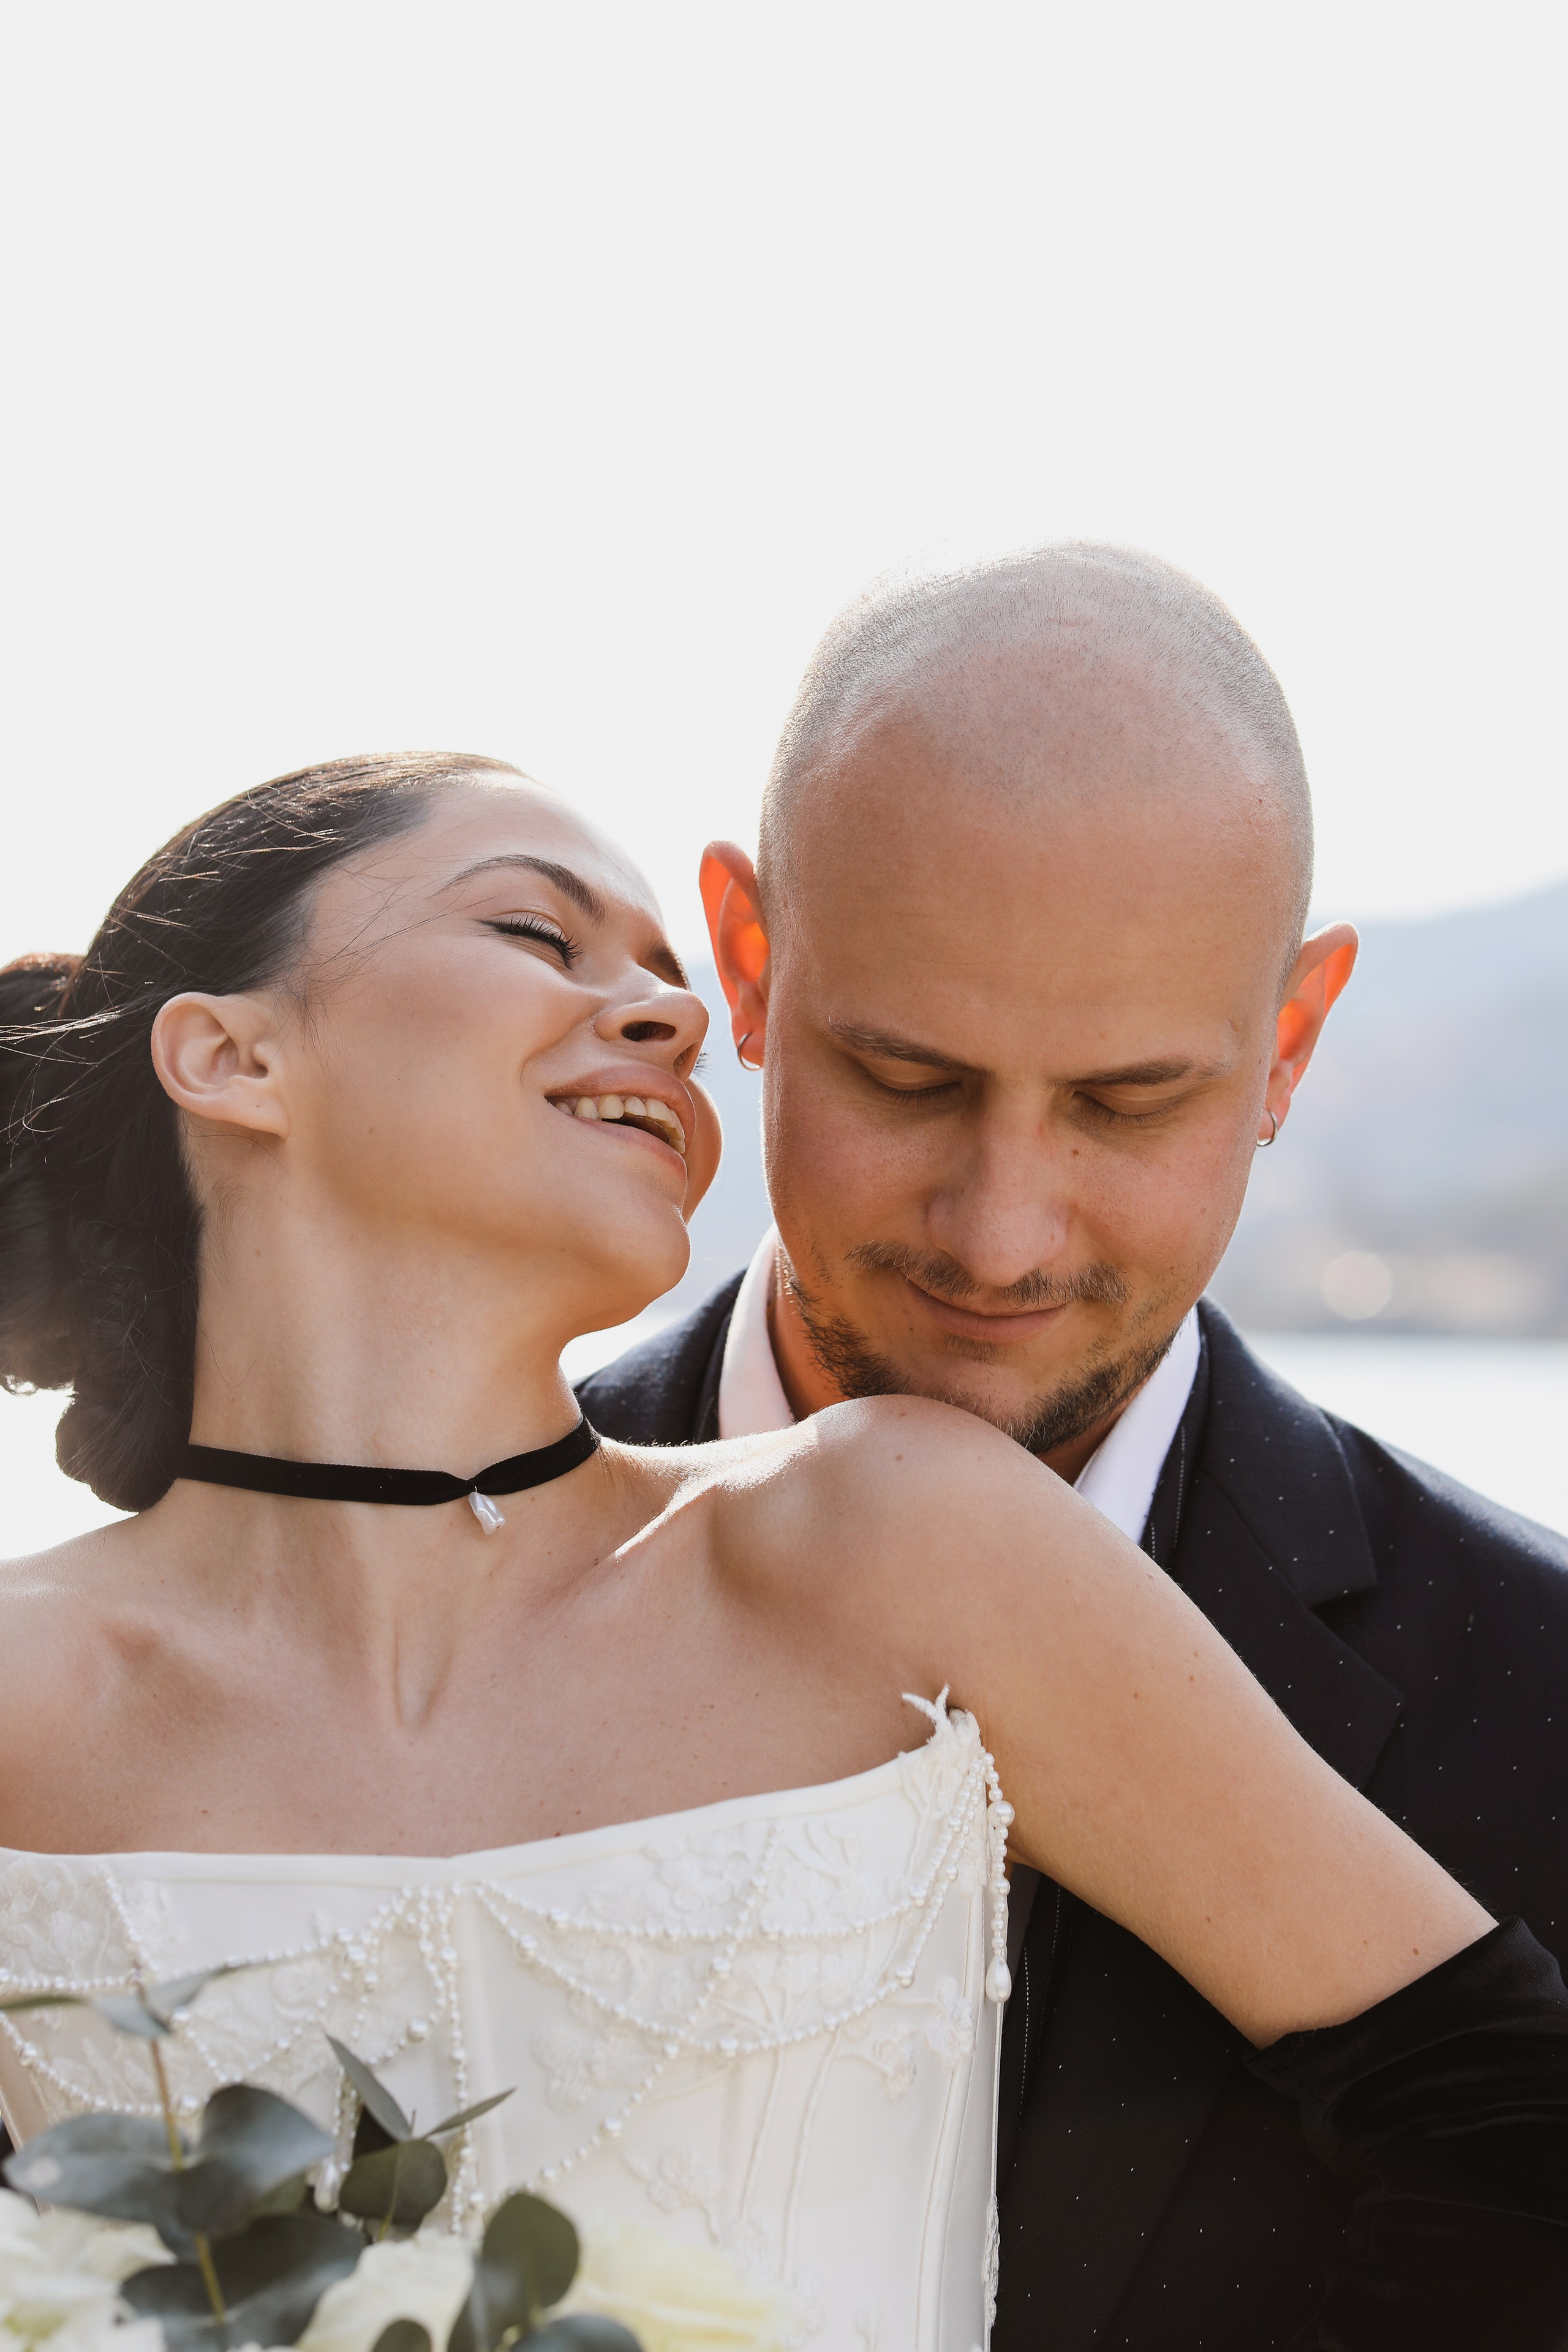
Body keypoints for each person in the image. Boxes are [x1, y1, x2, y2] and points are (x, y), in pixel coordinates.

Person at [0, 754, 1562, 2351]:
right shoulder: (23, 1702)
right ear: (232, 1053)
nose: (671, 1019)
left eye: (671, 978)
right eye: (543, 936)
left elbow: (1515, 2118)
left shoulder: (906, 1534)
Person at [579, 547, 1568, 2347]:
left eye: (1130, 1102)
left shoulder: (1549, 1690)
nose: (1001, 1235)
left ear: (1287, 1044)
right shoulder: (394, 1571)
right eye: (909, 1078)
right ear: (748, 962)